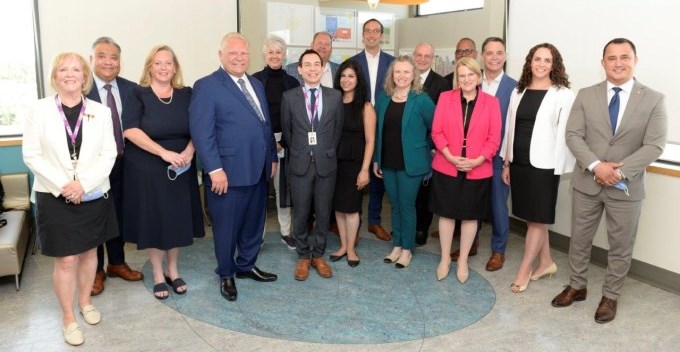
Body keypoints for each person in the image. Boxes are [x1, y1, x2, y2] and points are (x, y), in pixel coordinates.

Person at [552, 38, 667, 323]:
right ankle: (577, 286)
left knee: (620, 245)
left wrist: (617, 172)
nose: (618, 63)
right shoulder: (586, 94)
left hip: (626, 186)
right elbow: (573, 135)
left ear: (635, 60)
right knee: (579, 239)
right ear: (603, 63)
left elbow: (654, 145)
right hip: (587, 182)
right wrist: (596, 166)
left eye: (624, 57)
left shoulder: (653, 99)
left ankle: (610, 296)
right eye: (612, 58)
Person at [23, 52, 118, 346]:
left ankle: (85, 301)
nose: (70, 74)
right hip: (54, 193)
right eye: (63, 69)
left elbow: (109, 153)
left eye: (76, 69)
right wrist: (66, 185)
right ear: (55, 75)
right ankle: (68, 317)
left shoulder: (100, 112)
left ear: (84, 76)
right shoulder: (38, 111)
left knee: (90, 253)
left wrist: (83, 184)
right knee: (66, 259)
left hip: (92, 192)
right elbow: (32, 155)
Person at [190, 33, 279, 302]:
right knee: (227, 228)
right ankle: (226, 273)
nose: (239, 58)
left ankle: (246, 265)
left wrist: (272, 157)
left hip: (259, 168)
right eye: (233, 53)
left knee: (254, 223)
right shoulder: (206, 86)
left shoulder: (255, 83)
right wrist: (214, 169)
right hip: (226, 174)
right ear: (221, 56)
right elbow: (201, 132)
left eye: (243, 53)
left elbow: (265, 124)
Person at [121, 45, 205, 300]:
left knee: (176, 220)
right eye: (158, 63)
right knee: (155, 221)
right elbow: (130, 130)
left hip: (181, 167)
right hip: (148, 168)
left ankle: (173, 270)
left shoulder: (186, 94)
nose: (163, 67)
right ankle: (158, 273)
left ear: (175, 67)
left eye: (168, 63)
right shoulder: (137, 93)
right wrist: (163, 153)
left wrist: (190, 151)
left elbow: (199, 126)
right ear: (150, 66)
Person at [500, 43, 575, 293]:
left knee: (537, 218)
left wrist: (559, 168)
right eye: (537, 59)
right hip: (519, 162)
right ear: (529, 62)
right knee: (534, 217)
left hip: (544, 166)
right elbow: (510, 128)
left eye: (547, 60)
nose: (541, 64)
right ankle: (546, 262)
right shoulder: (518, 91)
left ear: (554, 65)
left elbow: (566, 134)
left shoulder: (563, 94)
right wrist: (507, 161)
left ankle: (524, 270)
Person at [430, 58, 501, 283]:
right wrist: (450, 156)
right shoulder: (445, 98)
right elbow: (437, 132)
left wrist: (478, 160)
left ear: (478, 77)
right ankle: (444, 259)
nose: (466, 79)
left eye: (470, 75)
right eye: (462, 76)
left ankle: (462, 261)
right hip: (447, 166)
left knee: (470, 216)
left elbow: (494, 138)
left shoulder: (491, 103)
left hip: (477, 169)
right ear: (457, 78)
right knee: (447, 213)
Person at [453, 37, 517, 271]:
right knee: (472, 201)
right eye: (489, 53)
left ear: (505, 56)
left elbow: (512, 126)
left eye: (499, 53)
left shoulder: (515, 87)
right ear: (481, 55)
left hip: (498, 158)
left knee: (498, 205)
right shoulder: (472, 81)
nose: (494, 57)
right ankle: (471, 243)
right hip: (471, 157)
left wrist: (508, 161)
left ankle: (498, 251)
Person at [86, 37, 143, 296]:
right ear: (92, 60)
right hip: (94, 167)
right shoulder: (82, 90)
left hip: (125, 163)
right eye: (102, 56)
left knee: (119, 214)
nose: (109, 61)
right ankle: (96, 270)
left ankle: (117, 263)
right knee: (97, 217)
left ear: (120, 61)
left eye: (114, 57)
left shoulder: (132, 89)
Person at [281, 49, 344, 281]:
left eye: (316, 64)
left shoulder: (334, 96)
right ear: (299, 69)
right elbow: (287, 132)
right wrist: (302, 151)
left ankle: (318, 255)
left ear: (322, 67)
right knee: (301, 212)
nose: (312, 68)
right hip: (299, 164)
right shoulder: (289, 97)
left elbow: (337, 131)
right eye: (307, 64)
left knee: (324, 212)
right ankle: (303, 256)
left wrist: (324, 151)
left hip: (326, 163)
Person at [373, 55, 435, 269]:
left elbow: (435, 128)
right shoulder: (384, 98)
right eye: (397, 71)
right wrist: (376, 160)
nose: (401, 76)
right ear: (392, 74)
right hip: (388, 160)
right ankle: (397, 245)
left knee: (407, 206)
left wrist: (425, 148)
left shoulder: (421, 100)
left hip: (412, 163)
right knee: (395, 205)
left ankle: (407, 249)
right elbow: (378, 132)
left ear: (413, 75)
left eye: (406, 72)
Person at [253, 35, 301, 249]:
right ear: (264, 55)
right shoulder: (253, 81)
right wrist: (269, 142)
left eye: (278, 52)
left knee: (284, 192)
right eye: (270, 52)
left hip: (285, 142)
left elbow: (297, 116)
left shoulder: (292, 82)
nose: (274, 56)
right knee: (259, 193)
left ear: (284, 55)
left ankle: (285, 232)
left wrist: (284, 142)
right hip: (261, 144)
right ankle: (258, 236)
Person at [328, 59, 376, 267]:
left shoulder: (366, 107)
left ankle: (351, 249)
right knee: (338, 207)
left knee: (352, 208)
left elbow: (370, 140)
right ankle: (342, 246)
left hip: (355, 164)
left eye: (351, 76)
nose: (346, 80)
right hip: (333, 162)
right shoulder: (333, 102)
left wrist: (365, 169)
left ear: (358, 80)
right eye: (343, 76)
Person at [351, 18, 395, 242]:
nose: (371, 35)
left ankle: (374, 222)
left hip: (385, 126)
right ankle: (354, 223)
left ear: (382, 35)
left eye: (376, 31)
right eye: (367, 31)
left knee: (378, 174)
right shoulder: (352, 62)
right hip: (358, 126)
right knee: (357, 172)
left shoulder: (393, 62)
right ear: (362, 35)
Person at [412, 42, 452, 246]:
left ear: (433, 58)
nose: (422, 59)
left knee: (425, 191)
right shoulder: (404, 78)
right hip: (408, 144)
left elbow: (442, 119)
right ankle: (409, 226)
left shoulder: (441, 83)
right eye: (419, 55)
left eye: (427, 56)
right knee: (409, 190)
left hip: (429, 145)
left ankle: (421, 228)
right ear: (413, 55)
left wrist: (437, 146)